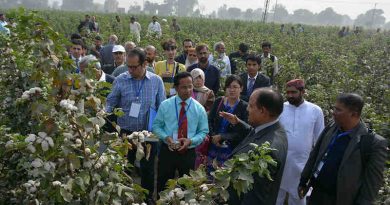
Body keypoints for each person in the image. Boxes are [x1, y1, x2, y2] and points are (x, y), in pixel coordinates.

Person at [299, 93, 388, 205]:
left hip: (340, 199)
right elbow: (316, 153)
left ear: (353, 114)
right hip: (317, 193)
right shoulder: (332, 127)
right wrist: (303, 180)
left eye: (338, 110)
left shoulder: (372, 143)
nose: (333, 112)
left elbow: (372, 183)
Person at [106, 48, 166, 204]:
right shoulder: (120, 79)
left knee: (148, 168)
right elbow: (110, 102)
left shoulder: (156, 81)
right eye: (129, 66)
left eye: (134, 67)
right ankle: (123, 197)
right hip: (126, 132)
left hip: (148, 133)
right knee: (125, 166)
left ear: (145, 63)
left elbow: (162, 107)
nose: (130, 70)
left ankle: (147, 199)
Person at [220, 88, 288, 205]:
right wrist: (238, 122)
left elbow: (255, 198)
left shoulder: (266, 152)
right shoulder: (272, 128)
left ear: (262, 111)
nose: (247, 109)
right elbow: (255, 133)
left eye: (251, 106)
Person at [152, 72, 209, 193]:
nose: (188, 90)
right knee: (164, 185)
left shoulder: (199, 108)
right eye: (184, 87)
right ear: (176, 88)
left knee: (187, 187)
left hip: (188, 152)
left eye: (190, 86)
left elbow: (203, 131)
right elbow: (156, 126)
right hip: (168, 150)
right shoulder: (165, 105)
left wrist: (191, 141)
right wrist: (167, 138)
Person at [276, 79, 324, 205]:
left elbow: (320, 139)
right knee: (276, 197)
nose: (290, 95)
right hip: (280, 162)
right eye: (288, 92)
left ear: (303, 92)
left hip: (302, 164)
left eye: (294, 92)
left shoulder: (315, 110)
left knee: (298, 197)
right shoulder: (280, 108)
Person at [206, 75, 248, 173]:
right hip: (214, 145)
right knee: (208, 175)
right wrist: (213, 136)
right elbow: (210, 120)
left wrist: (223, 137)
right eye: (229, 87)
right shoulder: (219, 102)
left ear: (241, 88)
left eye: (235, 87)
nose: (231, 90)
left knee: (224, 177)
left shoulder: (244, 107)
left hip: (231, 149)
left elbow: (244, 131)